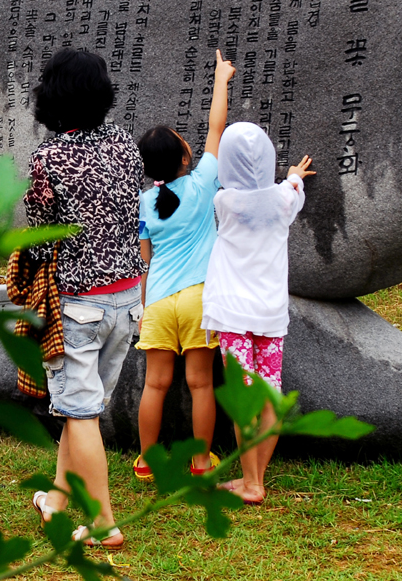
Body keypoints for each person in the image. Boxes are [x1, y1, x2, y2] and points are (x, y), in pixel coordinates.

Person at [25, 47, 144, 549]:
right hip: (128, 300)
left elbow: (40, 234)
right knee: (81, 410)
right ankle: (56, 498)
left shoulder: (48, 158)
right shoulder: (125, 143)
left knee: (80, 413)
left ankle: (102, 522)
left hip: (78, 305)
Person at [133, 49, 235, 482]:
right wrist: (220, 79)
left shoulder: (144, 202)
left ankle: (146, 461)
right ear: (185, 157)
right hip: (198, 298)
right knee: (200, 383)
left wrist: (142, 308)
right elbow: (217, 128)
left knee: (154, 384)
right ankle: (200, 462)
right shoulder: (202, 183)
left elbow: (144, 260)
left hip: (158, 300)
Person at [201, 122, 315, 506]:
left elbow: (239, 188)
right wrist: (294, 177)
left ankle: (251, 483)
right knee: (269, 398)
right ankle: (255, 479)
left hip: (234, 314)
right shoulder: (283, 200)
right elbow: (290, 190)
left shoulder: (225, 202)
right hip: (270, 314)